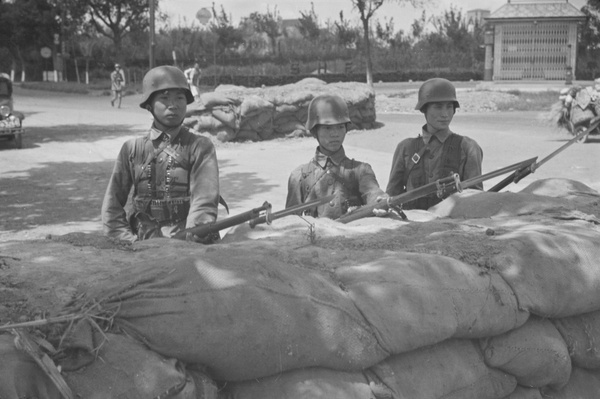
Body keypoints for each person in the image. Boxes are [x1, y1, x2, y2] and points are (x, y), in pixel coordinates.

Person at [101, 65, 220, 243]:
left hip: (187, 240)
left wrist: (192, 238)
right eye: (164, 98)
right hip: (141, 241)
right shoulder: (132, 149)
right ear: (149, 105)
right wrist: (127, 241)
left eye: (180, 98)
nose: (173, 105)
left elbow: (204, 203)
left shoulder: (200, 147)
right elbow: (112, 206)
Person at [386, 77, 483, 210]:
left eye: (449, 107)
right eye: (438, 107)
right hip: (411, 224)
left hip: (452, 225)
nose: (445, 114)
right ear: (424, 109)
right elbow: (392, 196)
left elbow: (475, 198)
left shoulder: (468, 147)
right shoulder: (405, 148)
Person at [286, 94, 387, 220]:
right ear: (314, 131)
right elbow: (290, 223)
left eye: (340, 127)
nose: (335, 134)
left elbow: (372, 192)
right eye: (327, 128)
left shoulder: (361, 170)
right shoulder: (299, 176)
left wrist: (381, 201)